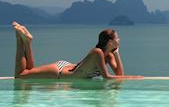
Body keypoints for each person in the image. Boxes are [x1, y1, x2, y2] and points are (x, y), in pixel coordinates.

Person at [12, 22, 142, 80]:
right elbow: (107, 77)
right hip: (60, 72)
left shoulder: (109, 56)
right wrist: (132, 77)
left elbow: (119, 74)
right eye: (117, 38)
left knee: (28, 73)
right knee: (21, 75)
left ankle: (28, 42)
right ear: (109, 42)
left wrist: (117, 54)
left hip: (67, 67)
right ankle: (19, 39)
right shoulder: (98, 53)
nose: (119, 40)